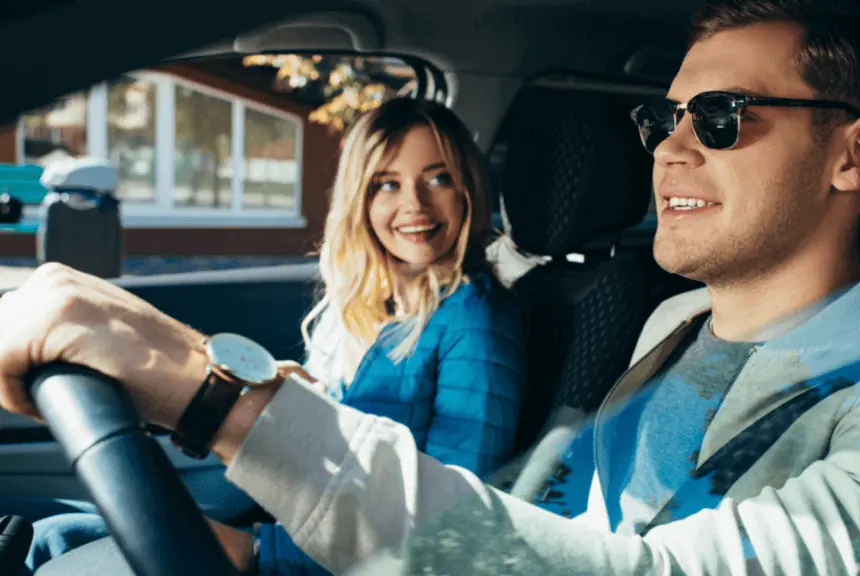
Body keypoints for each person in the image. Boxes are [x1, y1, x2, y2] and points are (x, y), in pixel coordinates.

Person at [1, 0, 860, 573]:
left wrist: (211, 392)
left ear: (855, 153)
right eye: (659, 122)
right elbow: (556, 525)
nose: (667, 150)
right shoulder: (671, 325)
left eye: (718, 117)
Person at [13, 97, 528, 574]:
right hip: (306, 513)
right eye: (386, 184)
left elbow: (457, 523)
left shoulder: (472, 319)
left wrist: (261, 551)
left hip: (342, 554)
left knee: (55, 544)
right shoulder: (382, 298)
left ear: (469, 189)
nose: (413, 203)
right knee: (44, 530)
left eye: (437, 178)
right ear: (360, 200)